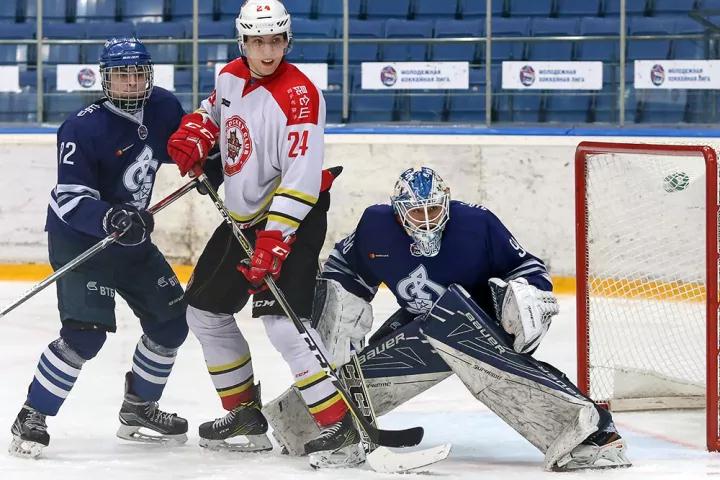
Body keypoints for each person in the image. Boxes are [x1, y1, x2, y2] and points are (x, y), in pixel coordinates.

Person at [265, 166, 632, 471]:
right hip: (423, 322)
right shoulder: (375, 225)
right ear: (398, 211)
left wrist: (527, 295)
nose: (426, 220)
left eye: (433, 210)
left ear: (447, 203)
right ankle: (307, 426)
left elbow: (528, 266)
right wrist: (340, 312)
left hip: (477, 322)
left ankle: (594, 433)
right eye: (415, 212)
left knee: (492, 366)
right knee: (359, 372)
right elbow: (346, 268)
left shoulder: (477, 224)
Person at [165, 0, 360, 469]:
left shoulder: (301, 97)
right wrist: (197, 130)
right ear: (243, 42)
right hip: (244, 215)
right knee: (203, 312)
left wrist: (277, 240)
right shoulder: (229, 75)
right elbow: (215, 111)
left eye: (276, 41)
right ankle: (244, 417)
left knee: (282, 324)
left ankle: (339, 427)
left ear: (287, 41)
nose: (267, 50)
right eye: (257, 41)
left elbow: (302, 176)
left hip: (294, 216)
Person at [9, 37, 189, 458]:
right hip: (81, 238)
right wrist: (111, 218)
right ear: (105, 79)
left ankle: (139, 408)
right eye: (121, 75)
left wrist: (209, 164)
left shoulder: (164, 108)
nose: (130, 82)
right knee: (85, 335)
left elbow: (187, 151)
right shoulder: (80, 127)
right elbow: (71, 199)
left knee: (171, 324)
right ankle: (33, 414)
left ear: (149, 75)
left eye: (138, 73)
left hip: (131, 238)